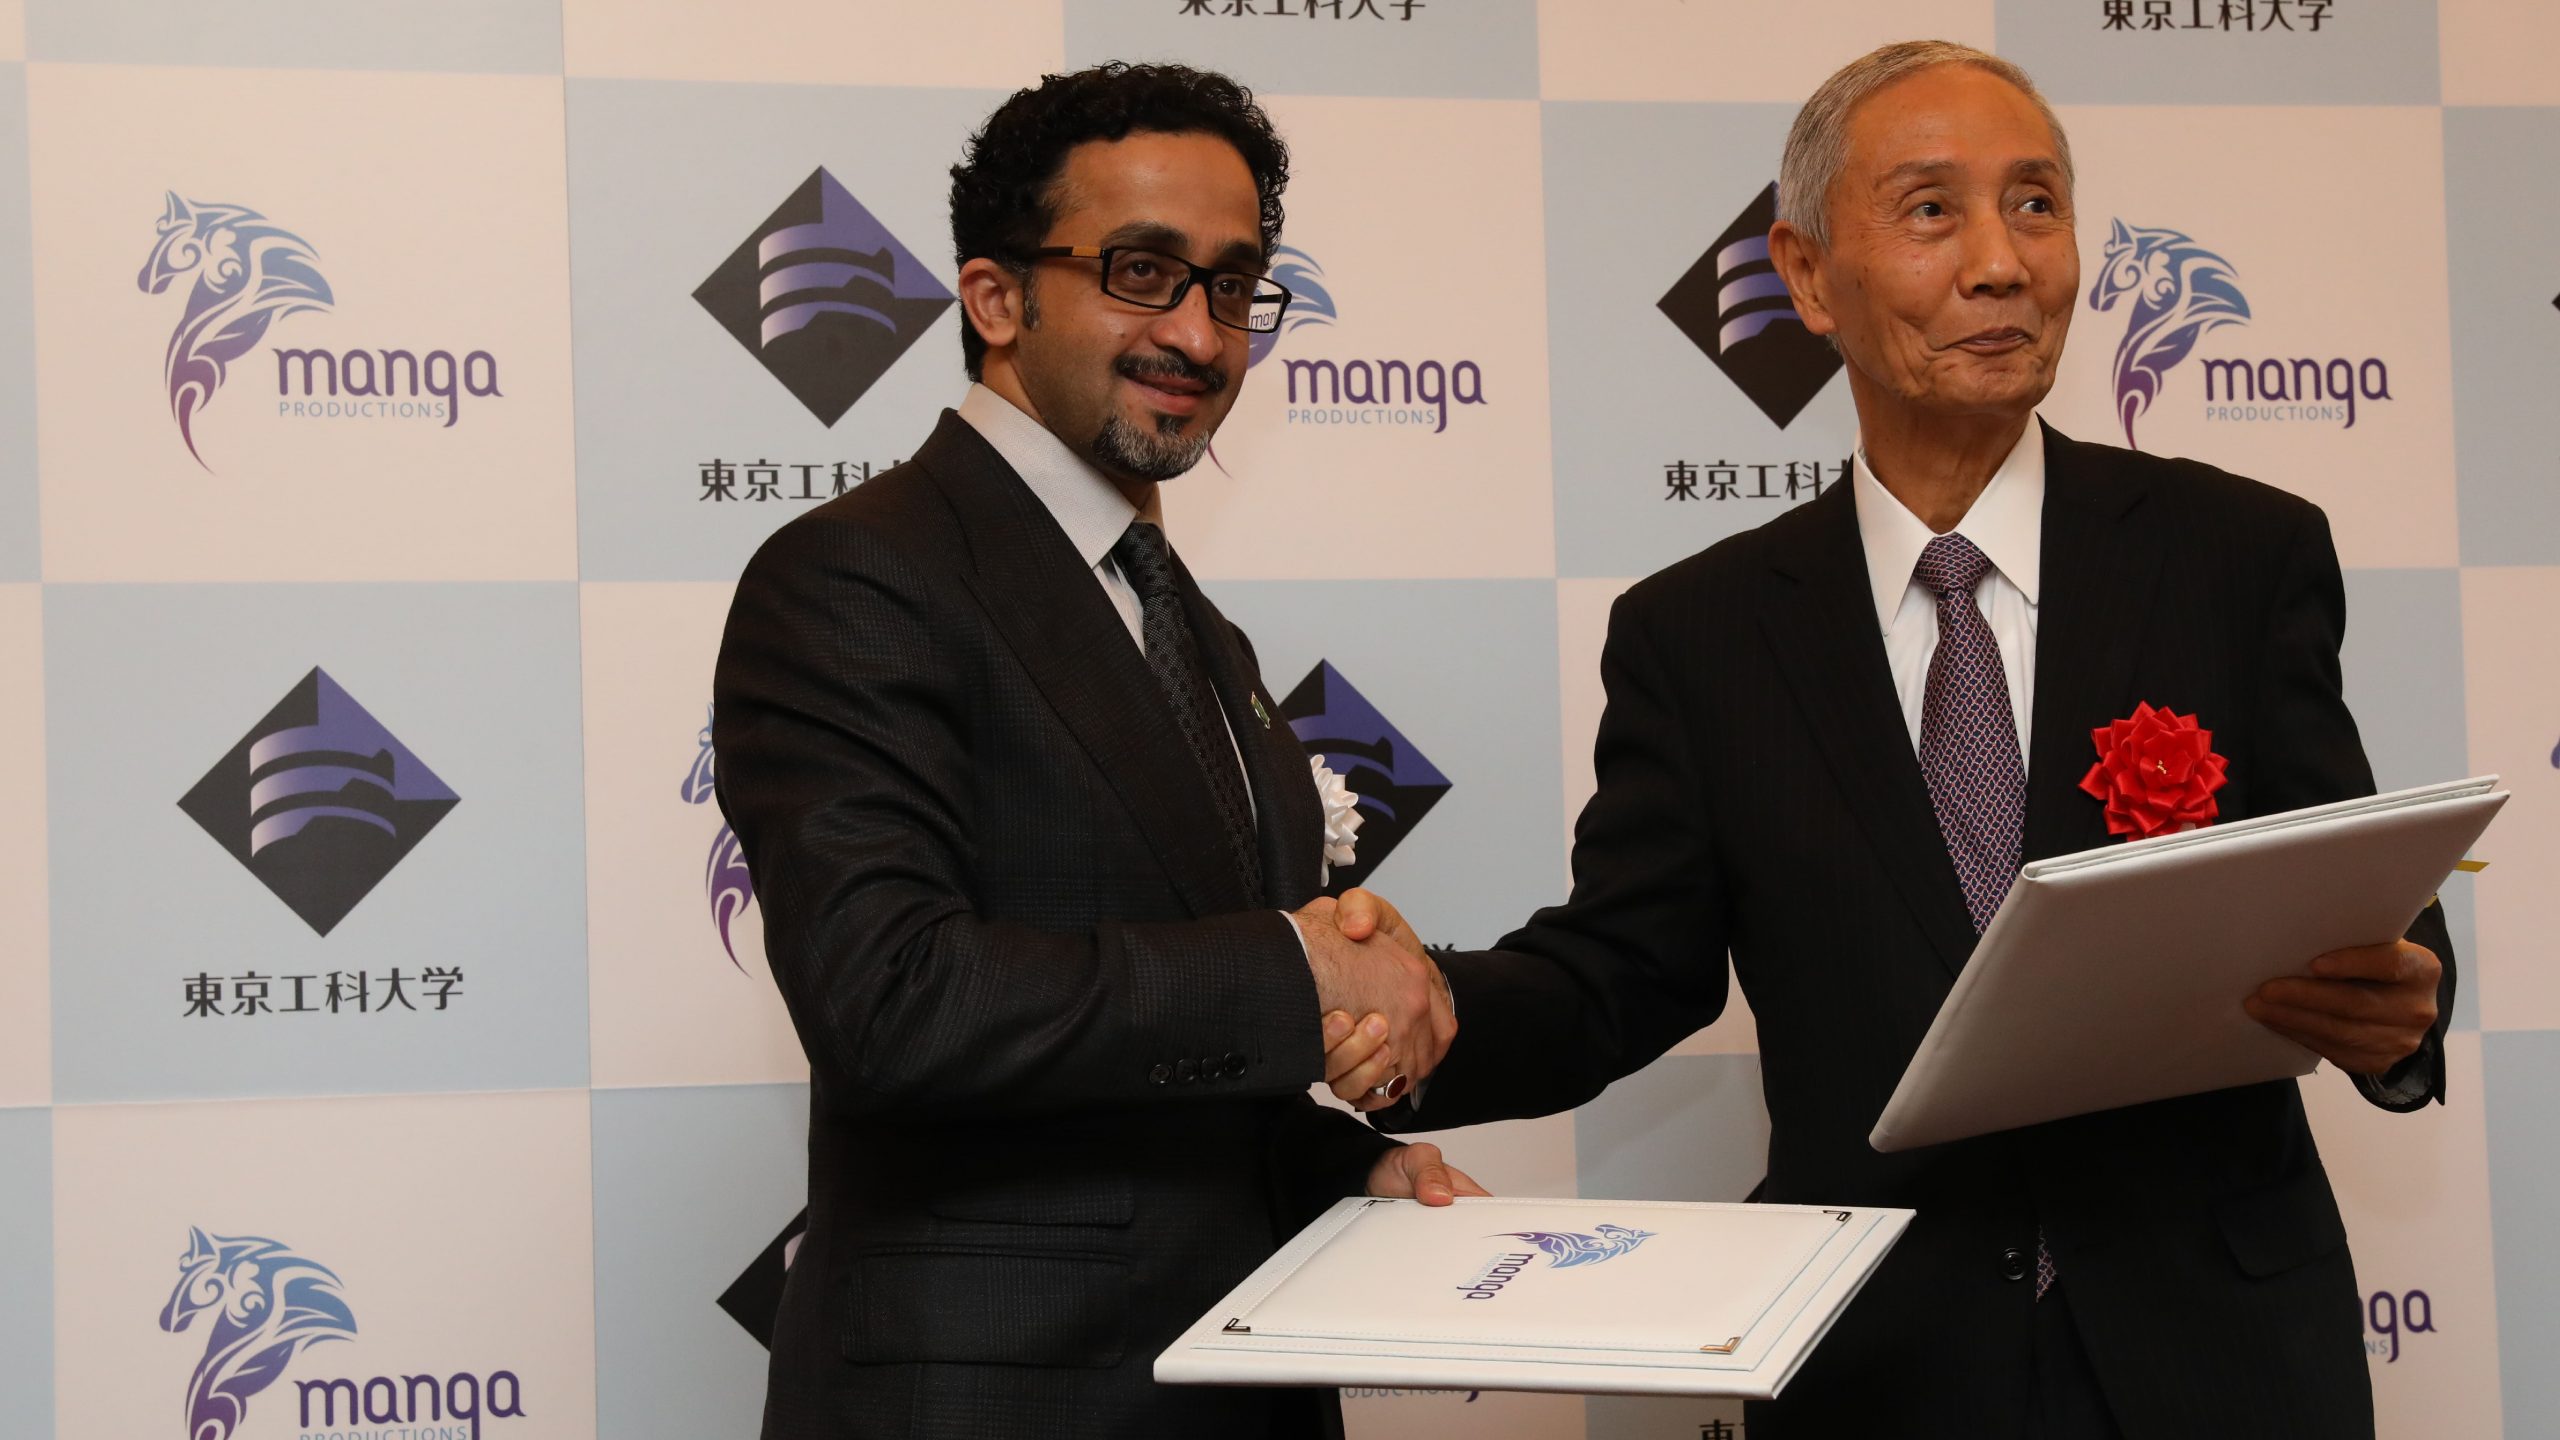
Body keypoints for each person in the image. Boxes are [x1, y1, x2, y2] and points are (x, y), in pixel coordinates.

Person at [1336, 39, 2452, 1440]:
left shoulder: (2238, 556)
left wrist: (2401, 1013)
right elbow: (1623, 970)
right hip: (1879, 1364)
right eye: (1932, 210)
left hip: (2221, 1358)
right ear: (1807, 276)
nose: (2001, 263)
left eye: (2036, 205)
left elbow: (2356, 893)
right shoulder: (1700, 633)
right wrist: (1418, 1010)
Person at [712, 62, 1479, 1440]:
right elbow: (892, 1000)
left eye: (1233, 286)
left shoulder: (1189, 621)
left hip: (1232, 1389)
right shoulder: (858, 575)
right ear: (996, 298)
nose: (1198, 332)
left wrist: (1339, 1175)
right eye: (1142, 272)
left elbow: (1172, 1077)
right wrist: (1302, 968)